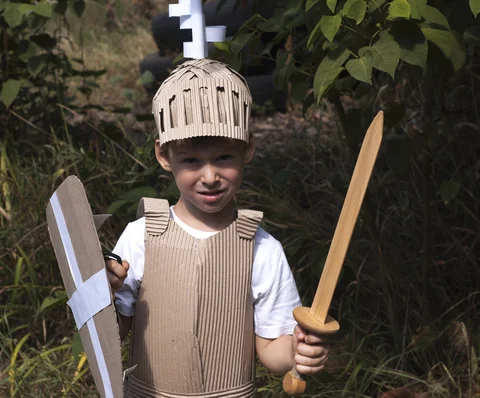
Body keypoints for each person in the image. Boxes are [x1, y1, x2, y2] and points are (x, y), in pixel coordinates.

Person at [104, 58, 330, 397]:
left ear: (248, 148)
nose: (210, 177)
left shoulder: (261, 249)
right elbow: (113, 332)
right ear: (164, 155)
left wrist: (299, 353)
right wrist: (103, 294)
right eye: (192, 160)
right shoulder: (141, 237)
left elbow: (272, 349)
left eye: (224, 157)